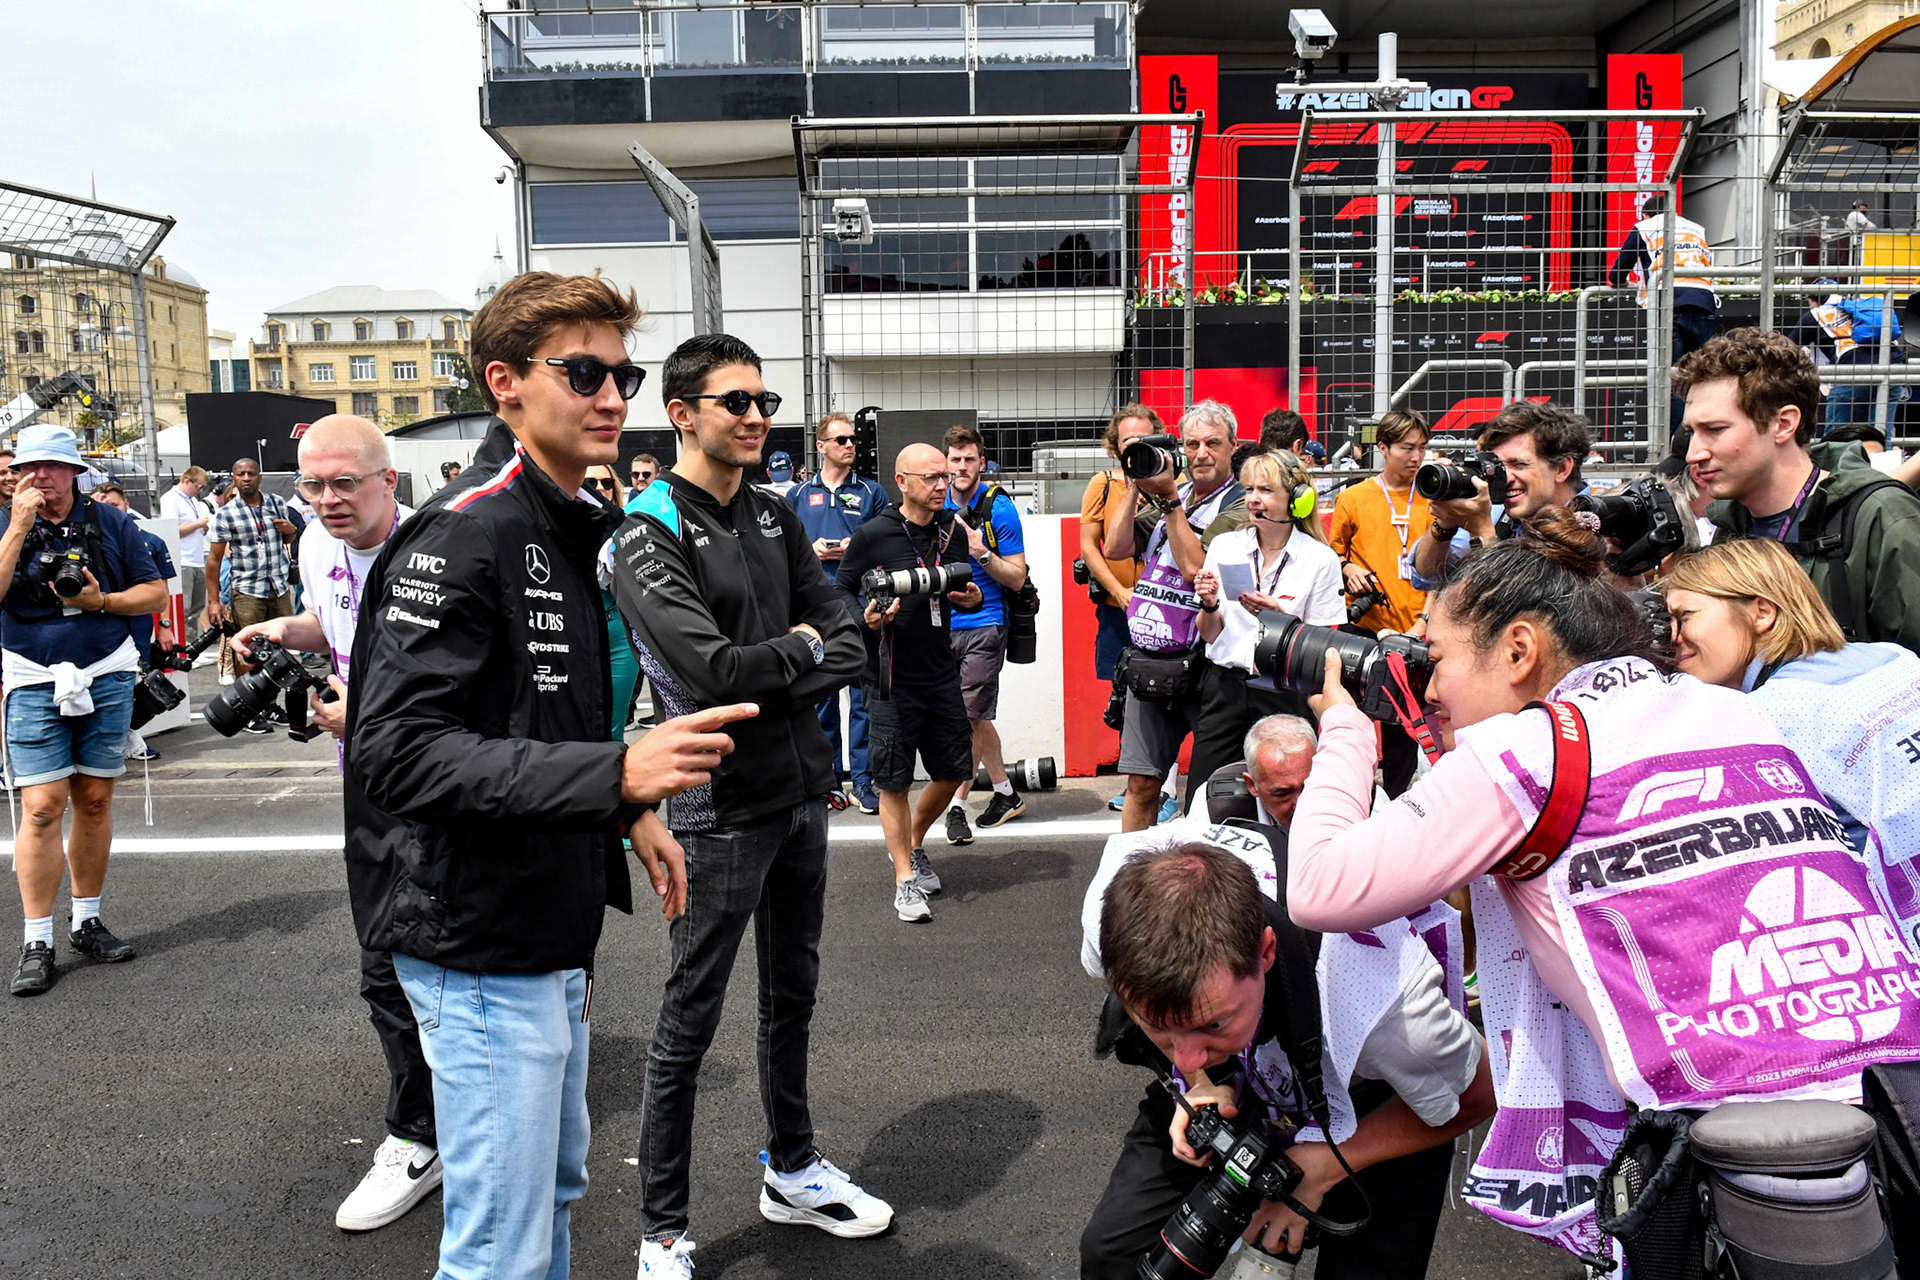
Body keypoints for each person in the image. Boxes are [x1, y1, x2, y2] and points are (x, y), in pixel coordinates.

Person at [1285, 509, 1920, 1257]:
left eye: (1435, 658)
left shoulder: (1524, 750)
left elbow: (1320, 887)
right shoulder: (1723, 707)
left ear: (1519, 649)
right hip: (1894, 1088)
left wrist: (1348, 731)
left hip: (1748, 1156)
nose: (1428, 688)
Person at [346, 271, 753, 1280]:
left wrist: (623, 813)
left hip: (543, 928)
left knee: (554, 1204)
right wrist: (616, 771)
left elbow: (538, 714)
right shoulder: (466, 528)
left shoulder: (571, 516)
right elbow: (395, 749)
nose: (613, 395)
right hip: (479, 940)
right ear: (505, 383)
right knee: (501, 1252)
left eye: (624, 373)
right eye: (584, 372)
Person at [611, 333, 883, 1277]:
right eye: (737, 402)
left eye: (764, 401)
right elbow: (711, 673)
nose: (758, 417)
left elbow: (851, 640)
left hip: (801, 791)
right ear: (683, 414)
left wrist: (798, 653)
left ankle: (794, 1167)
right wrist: (805, 652)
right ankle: (663, 1231)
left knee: (793, 997)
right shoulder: (644, 529)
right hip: (715, 809)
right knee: (689, 1018)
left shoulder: (772, 513)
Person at [1079, 839, 1493, 1279]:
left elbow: (1482, 1093)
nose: (1184, 1054)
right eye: (1156, 1024)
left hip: (1372, 1095)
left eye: (1213, 1024)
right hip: (1237, 1076)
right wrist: (1198, 1081)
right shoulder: (1107, 922)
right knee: (1112, 1255)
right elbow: (1187, 1044)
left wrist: (1327, 1165)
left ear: (1266, 951)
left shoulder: (1384, 1005)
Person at [221, 415, 441, 1230]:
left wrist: (374, 718)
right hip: (367, 777)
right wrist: (280, 629)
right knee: (380, 954)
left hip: (444, 780)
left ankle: (450, 1120)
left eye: (345, 482)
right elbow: (334, 627)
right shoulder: (315, 542)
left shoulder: (438, 550)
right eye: (311, 484)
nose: (326, 500)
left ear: (391, 480)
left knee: (455, 949)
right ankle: (418, 1133)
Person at [1663, 538, 1920, 959]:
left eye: (1684, 617)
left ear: (1762, 611)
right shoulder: (1894, 657)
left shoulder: (1760, 719)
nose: (1672, 638)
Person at [1, 425, 165, 996]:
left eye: (51, 465)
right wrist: (19, 527)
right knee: (42, 806)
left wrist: (101, 600)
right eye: (28, 467)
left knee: (94, 799)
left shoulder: (112, 522)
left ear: (74, 472)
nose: (38, 476)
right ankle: (37, 938)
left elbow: (155, 593)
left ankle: (86, 920)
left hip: (105, 669)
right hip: (31, 674)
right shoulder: (5, 523)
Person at [1678, 327, 1920, 652]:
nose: (1694, 453)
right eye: (1692, 431)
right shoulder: (1731, 529)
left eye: (1715, 430)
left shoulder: (1881, 517)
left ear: (1784, 424)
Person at [834, 442, 983, 923]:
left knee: (954, 770)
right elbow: (839, 591)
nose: (943, 484)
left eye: (946, 476)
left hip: (941, 670)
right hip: (888, 675)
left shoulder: (952, 531)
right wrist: (868, 620)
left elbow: (962, 593)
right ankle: (903, 879)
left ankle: (914, 843)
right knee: (893, 781)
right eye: (931, 477)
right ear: (902, 482)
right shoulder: (873, 534)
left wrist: (970, 597)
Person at [1103, 401, 1246, 832]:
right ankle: (1129, 882)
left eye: (1213, 444)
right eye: (1193, 444)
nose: (1201, 453)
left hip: (1208, 665)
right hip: (1152, 660)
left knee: (1207, 791)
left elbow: (1194, 568)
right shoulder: (1176, 495)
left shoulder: (1239, 504)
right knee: (1141, 785)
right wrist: (1135, 483)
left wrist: (1167, 499)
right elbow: (1115, 549)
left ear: (1232, 447)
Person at [1187, 450, 1342, 811]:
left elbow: (1323, 651)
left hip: (1284, 691)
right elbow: (1210, 634)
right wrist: (1209, 604)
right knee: (1203, 797)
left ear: (1297, 499)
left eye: (1266, 490)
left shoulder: (1319, 559)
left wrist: (1281, 619)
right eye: (1250, 489)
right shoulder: (1227, 546)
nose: (1254, 498)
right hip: (1225, 686)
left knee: (1290, 799)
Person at [1327, 410, 1436, 797]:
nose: (1416, 457)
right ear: (1383, 448)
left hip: (1420, 628)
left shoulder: (1433, 494)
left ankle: (1399, 802)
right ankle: (1354, 796)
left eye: (1422, 448)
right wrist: (1348, 568)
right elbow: (1331, 556)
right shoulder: (1354, 498)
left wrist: (1424, 620)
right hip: (1367, 628)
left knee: (1403, 728)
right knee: (1352, 718)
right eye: (1407, 448)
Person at [786, 411, 891, 813]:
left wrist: (853, 548)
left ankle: (864, 782)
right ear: (821, 446)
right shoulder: (797, 495)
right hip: (814, 609)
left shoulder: (871, 492)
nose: (850, 446)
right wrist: (810, 550)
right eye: (842, 440)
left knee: (863, 697)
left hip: (862, 606)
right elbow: (784, 549)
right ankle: (829, 780)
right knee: (822, 697)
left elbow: (886, 543)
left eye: (852, 440)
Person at [940, 423, 1029, 845]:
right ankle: (1006, 792)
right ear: (945, 461)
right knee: (976, 720)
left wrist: (982, 553)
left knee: (968, 718)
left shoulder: (999, 508)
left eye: (969, 459)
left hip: (985, 625)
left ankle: (955, 804)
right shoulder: (933, 501)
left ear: (981, 462)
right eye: (954, 459)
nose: (961, 467)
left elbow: (1016, 578)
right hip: (939, 626)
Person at [1408, 401, 1592, 588]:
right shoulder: (1496, 512)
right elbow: (1426, 575)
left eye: (1518, 464)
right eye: (1499, 466)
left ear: (1562, 468)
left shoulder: (1600, 525)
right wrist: (1444, 525)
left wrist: (1483, 533)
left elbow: (1525, 604)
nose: (1506, 477)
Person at [205, 456, 300, 732]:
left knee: (279, 648)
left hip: (279, 586)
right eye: (240, 474)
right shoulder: (226, 513)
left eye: (251, 473)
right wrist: (214, 601)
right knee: (249, 651)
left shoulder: (276, 503)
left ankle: (270, 705)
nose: (246, 478)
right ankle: (248, 709)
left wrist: (291, 532)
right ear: (233, 479)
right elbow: (213, 560)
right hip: (247, 589)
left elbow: (287, 540)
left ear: (260, 477)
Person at [1608, 192, 1718, 426]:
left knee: (1672, 377)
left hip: (1669, 301)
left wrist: (1629, 285)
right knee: (1700, 375)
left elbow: (1616, 275)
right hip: (1703, 299)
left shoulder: (1645, 227)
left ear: (1646, 214)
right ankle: (1703, 432)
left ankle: (1677, 444)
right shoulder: (1696, 228)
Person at [1081, 407, 1159, 687]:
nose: (1136, 446)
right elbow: (1088, 547)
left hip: (1166, 611)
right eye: (1129, 440)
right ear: (1116, 445)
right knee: (1122, 695)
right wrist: (1118, 591)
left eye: (1144, 438)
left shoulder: (1176, 483)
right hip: (1117, 608)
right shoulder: (1101, 484)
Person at [1786, 285, 1908, 431]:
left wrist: (1802, 353)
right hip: (1892, 363)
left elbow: (1788, 347)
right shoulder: (1858, 309)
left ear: (1814, 301)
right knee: (1880, 431)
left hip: (1854, 366)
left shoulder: (1816, 314)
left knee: (1837, 432)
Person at [159, 466, 213, 645]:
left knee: (196, 609)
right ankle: (181, 646)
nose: (200, 491)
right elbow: (171, 530)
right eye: (199, 487)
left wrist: (201, 527)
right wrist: (198, 524)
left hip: (197, 559)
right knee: (184, 608)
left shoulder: (194, 501)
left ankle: (190, 646)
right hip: (182, 560)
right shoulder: (170, 499)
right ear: (187, 481)